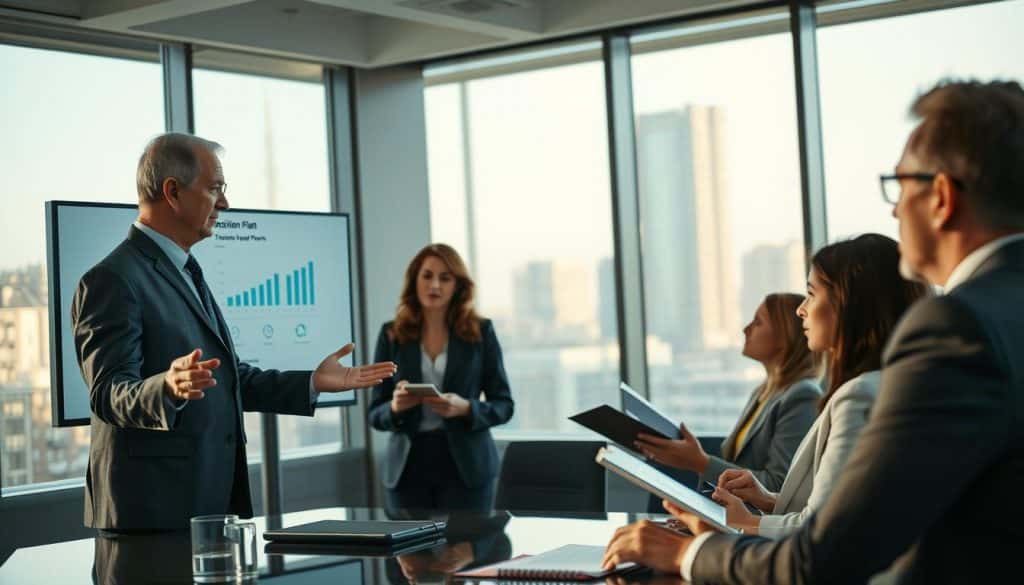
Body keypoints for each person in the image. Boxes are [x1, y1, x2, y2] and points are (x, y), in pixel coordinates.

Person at [602, 79, 1024, 584]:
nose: (894, 210)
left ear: (940, 197)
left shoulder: (957, 327)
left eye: (899, 185)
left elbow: (827, 557)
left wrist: (688, 555)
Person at [73, 133, 396, 531]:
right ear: (172, 192)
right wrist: (168, 387)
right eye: (215, 189)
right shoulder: (112, 279)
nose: (224, 202)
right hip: (153, 512)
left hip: (204, 505)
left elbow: (228, 377)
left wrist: (312, 382)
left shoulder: (185, 270)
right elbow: (108, 393)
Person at [710, 235, 927, 537]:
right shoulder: (893, 385)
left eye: (811, 294)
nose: (802, 309)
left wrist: (745, 523)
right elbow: (849, 508)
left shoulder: (860, 396)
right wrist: (770, 500)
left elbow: (824, 530)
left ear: (848, 305)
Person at [369, 244, 514, 510]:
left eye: (445, 278)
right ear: (414, 280)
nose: (434, 285)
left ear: (458, 285)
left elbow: (504, 406)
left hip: (467, 468)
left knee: (464, 550)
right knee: (410, 551)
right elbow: (374, 413)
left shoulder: (481, 332)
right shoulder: (392, 334)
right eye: (427, 275)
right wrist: (394, 408)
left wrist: (466, 408)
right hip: (408, 469)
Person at [635, 293, 821, 493]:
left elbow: (780, 486)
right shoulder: (764, 391)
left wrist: (701, 463)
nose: (745, 329)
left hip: (756, 522)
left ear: (785, 336)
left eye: (758, 322)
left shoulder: (802, 396)